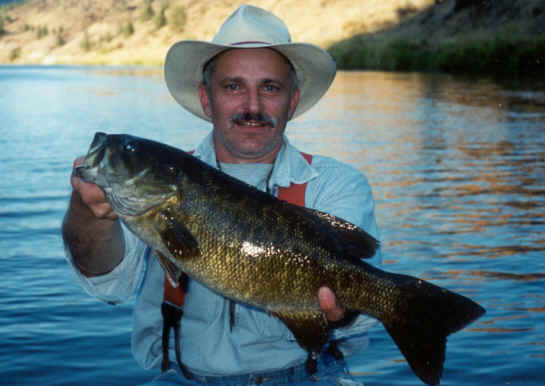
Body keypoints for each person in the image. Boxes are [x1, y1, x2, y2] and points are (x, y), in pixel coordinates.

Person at [62, 4, 381, 385]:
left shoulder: (335, 184)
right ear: (206, 98)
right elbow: (108, 285)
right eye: (233, 86)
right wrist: (86, 210)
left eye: (270, 87)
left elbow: (351, 330)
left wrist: (343, 313)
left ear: (292, 101)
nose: (252, 106)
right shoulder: (153, 191)